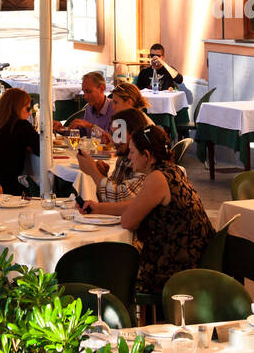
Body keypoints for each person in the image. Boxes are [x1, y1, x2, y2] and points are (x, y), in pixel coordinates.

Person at [80, 125, 213, 296]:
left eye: (133, 152)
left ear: (147, 156)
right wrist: (99, 208)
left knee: (107, 266)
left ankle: (119, 314)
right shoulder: (171, 170)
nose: (129, 157)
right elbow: (137, 203)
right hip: (193, 255)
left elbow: (128, 221)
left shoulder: (157, 178)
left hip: (176, 267)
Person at [76, 106, 154, 201]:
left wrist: (93, 171)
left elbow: (122, 199)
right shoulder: (123, 157)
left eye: (118, 135)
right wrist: (103, 175)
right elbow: (108, 198)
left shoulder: (144, 160)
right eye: (112, 134)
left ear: (134, 135)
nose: (113, 140)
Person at [0, 89, 40, 195]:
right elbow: (41, 149)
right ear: (17, 108)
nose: (30, 113)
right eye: (27, 108)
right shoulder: (21, 125)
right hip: (8, 187)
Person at [53, 72, 117, 140]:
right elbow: (80, 133)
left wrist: (90, 126)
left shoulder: (115, 108)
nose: (85, 97)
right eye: (84, 92)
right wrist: (62, 129)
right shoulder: (89, 108)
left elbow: (113, 140)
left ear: (101, 88)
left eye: (88, 91)